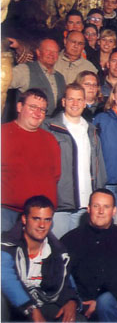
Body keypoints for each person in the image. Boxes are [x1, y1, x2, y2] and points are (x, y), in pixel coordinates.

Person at [1, 196, 82, 322]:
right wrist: (31, 309)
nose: (42, 225)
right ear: (24, 219)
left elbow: (66, 281)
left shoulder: (58, 251)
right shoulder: (6, 245)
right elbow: (4, 277)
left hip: (42, 304)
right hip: (13, 307)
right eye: (36, 219)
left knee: (77, 320)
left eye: (47, 220)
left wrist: (72, 301)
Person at [43, 83, 107, 238]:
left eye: (79, 100)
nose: (75, 104)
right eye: (71, 99)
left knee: (80, 251)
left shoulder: (91, 130)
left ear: (85, 103)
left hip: (85, 205)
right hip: (60, 204)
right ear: (63, 102)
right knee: (58, 250)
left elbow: (99, 167)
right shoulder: (49, 128)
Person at [60, 189, 117, 321]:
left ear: (114, 211)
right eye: (96, 206)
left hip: (114, 305)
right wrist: (75, 301)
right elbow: (61, 278)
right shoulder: (69, 240)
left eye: (106, 207)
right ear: (88, 209)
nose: (101, 211)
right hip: (80, 306)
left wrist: (100, 302)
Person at [1, 89, 61, 232]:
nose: (38, 113)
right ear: (19, 107)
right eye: (33, 107)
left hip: (41, 218)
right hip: (7, 213)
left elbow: (56, 175)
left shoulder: (50, 140)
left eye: (42, 109)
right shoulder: (3, 134)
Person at [9, 38, 66, 116]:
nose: (51, 54)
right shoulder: (25, 70)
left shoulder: (60, 78)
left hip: (53, 126)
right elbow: (3, 81)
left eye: (55, 52)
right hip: (29, 124)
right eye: (47, 50)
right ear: (38, 52)